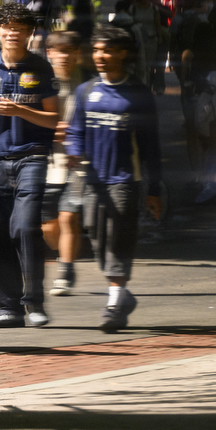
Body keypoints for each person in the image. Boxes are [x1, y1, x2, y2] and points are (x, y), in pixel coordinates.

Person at [0, 3, 61, 328]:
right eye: (8, 27)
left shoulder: (41, 68)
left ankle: (34, 302)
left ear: (30, 33)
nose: (13, 33)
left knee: (25, 227)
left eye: (20, 28)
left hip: (32, 156)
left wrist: (20, 110)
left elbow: (54, 119)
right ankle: (8, 308)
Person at [66, 26, 163, 331]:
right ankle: (122, 295)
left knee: (119, 236)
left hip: (125, 179)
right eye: (96, 50)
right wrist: (74, 151)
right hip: (93, 180)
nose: (100, 56)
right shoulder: (86, 91)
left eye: (107, 50)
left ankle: (114, 305)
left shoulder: (138, 94)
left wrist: (155, 188)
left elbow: (151, 145)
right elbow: (75, 131)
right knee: (97, 238)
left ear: (123, 53)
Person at [42, 31, 85, 297]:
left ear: (77, 54)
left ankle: (66, 271)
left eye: (70, 51)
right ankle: (64, 253)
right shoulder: (41, 81)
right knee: (49, 225)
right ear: (50, 53)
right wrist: (48, 130)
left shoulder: (88, 83)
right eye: (59, 51)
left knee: (69, 216)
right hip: (48, 163)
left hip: (79, 162)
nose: (65, 56)